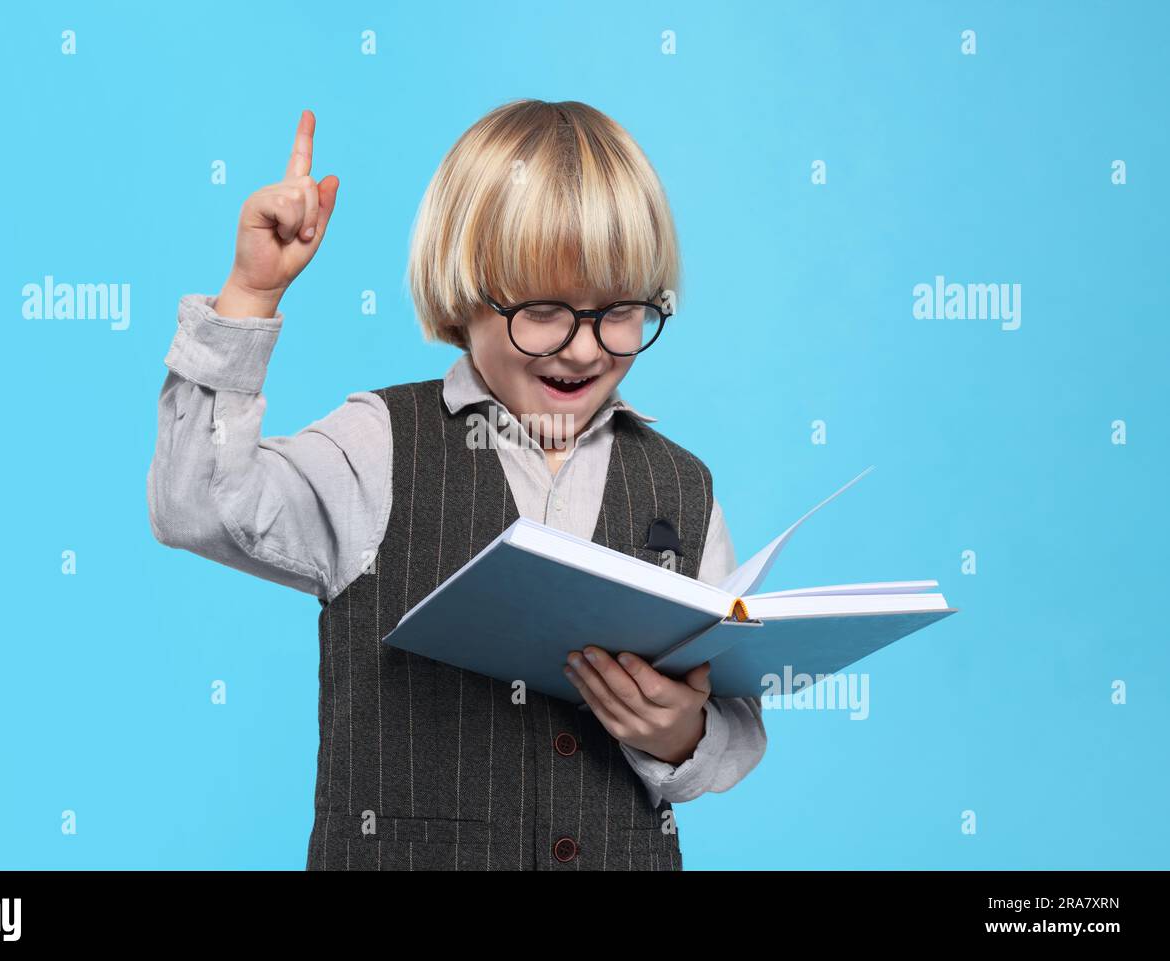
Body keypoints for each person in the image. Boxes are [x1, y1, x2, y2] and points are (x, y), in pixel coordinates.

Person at [147, 99, 767, 871]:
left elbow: (735, 718)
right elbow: (193, 504)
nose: (583, 348)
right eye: (543, 311)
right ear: (463, 292)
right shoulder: (380, 444)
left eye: (619, 311)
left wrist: (680, 735)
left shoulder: (680, 484)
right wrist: (249, 297)